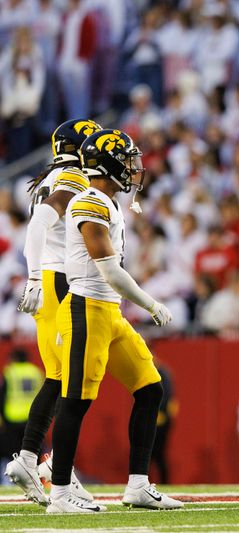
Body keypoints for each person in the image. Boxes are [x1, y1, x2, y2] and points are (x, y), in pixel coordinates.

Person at [47, 128, 182, 513]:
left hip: (109, 312)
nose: (133, 168)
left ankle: (138, 485)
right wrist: (151, 303)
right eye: (126, 160)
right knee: (75, 401)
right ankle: (59, 493)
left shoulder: (108, 202)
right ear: (106, 164)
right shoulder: (88, 202)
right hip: (87, 308)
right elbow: (109, 270)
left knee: (150, 388)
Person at [6, 119, 102, 507]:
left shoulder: (51, 175)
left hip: (49, 279)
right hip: (59, 280)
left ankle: (31, 458)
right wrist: (33, 276)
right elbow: (40, 223)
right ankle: (57, 468)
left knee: (60, 377)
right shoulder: (73, 179)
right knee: (75, 380)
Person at [1, 348, 44, 469]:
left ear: (14, 358)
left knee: (13, 453)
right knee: (32, 452)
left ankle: (13, 477)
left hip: (12, 418)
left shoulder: (10, 372)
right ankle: (34, 477)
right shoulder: (36, 372)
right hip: (33, 418)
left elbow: (2, 396)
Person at [152, 358, 177, 485]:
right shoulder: (158, 372)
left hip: (160, 418)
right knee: (152, 455)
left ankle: (164, 482)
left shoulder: (162, 372)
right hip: (153, 417)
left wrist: (161, 412)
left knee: (157, 453)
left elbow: (167, 395)